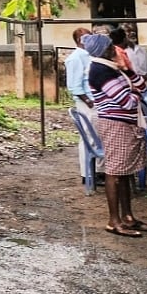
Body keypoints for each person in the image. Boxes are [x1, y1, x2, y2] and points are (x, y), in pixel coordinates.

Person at [84, 33, 147, 237]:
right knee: (115, 172)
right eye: (111, 46)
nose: (116, 49)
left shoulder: (114, 68)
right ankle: (113, 221)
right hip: (116, 124)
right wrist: (136, 93)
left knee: (124, 172)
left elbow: (143, 86)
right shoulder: (100, 71)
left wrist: (128, 70)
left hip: (126, 122)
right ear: (105, 50)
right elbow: (127, 102)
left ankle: (128, 217)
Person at [65, 27, 101, 183]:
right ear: (80, 40)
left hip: (96, 101)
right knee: (89, 137)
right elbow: (74, 85)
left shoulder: (91, 56)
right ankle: (87, 174)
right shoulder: (75, 58)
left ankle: (99, 171)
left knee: (99, 137)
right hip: (88, 103)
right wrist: (88, 101)